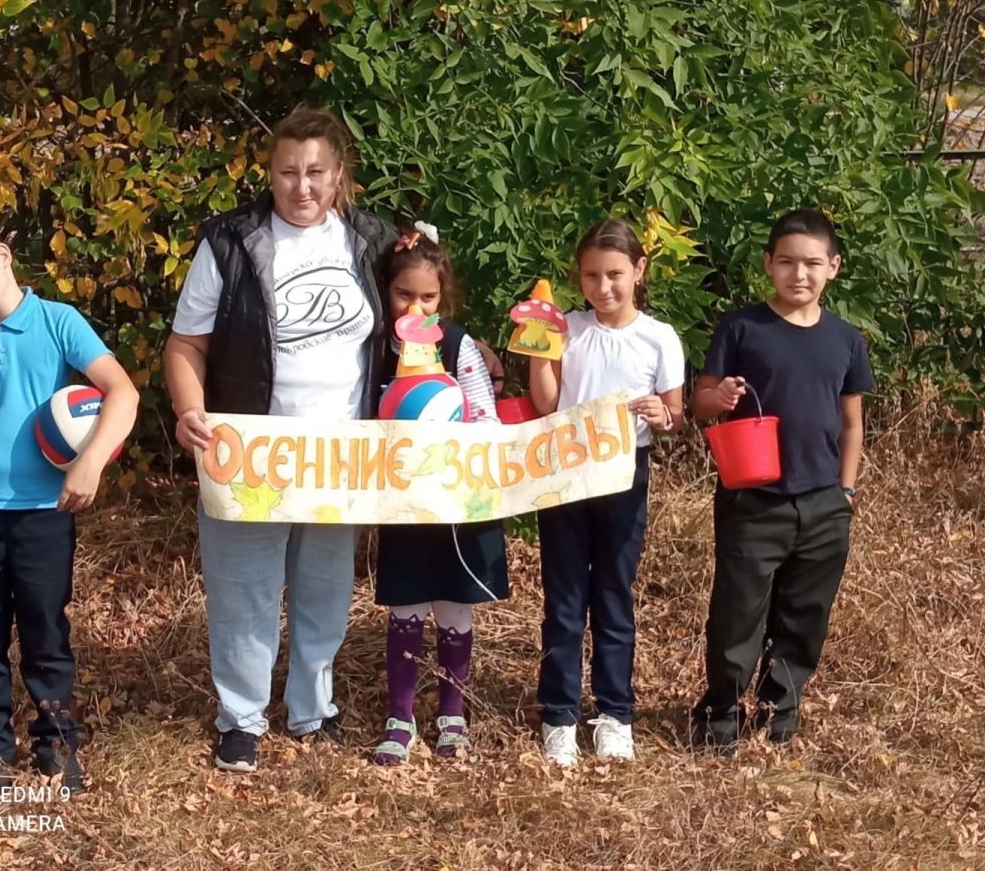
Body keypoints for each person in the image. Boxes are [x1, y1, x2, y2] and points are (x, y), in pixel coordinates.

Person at [164, 106, 396, 773]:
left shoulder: (373, 242)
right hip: (250, 451)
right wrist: (189, 410)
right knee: (245, 588)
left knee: (325, 583)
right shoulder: (230, 242)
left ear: (339, 174)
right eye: (288, 172)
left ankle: (312, 709)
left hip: (341, 453)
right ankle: (240, 720)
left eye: (316, 172)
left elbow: (419, 321)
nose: (302, 187)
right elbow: (185, 343)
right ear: (269, 174)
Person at [0, 215, 138, 792]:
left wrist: (90, 461)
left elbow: (124, 392)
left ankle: (57, 741)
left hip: (44, 510)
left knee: (45, 626)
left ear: (2, 254)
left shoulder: (57, 321)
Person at [691, 208, 873, 752]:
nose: (800, 274)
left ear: (833, 268)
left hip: (823, 504)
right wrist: (718, 399)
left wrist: (845, 491)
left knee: (805, 616)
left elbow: (851, 422)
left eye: (813, 264)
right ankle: (720, 712)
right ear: (769, 264)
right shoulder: (743, 327)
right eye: (788, 262)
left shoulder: (845, 338)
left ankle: (779, 711)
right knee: (737, 615)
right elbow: (700, 404)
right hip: (753, 499)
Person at [528, 218, 685, 765]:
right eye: (592, 275)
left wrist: (661, 413)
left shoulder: (658, 336)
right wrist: (539, 352)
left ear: (639, 271)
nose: (604, 287)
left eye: (615, 274)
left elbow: (676, 415)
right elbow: (546, 404)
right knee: (565, 598)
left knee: (613, 594)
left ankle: (615, 713)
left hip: (624, 474)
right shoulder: (565, 327)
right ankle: (559, 715)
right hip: (566, 474)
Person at [370, 225, 509, 766]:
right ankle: (399, 717)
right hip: (403, 503)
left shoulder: (458, 344)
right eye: (406, 295)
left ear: (442, 296)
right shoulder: (376, 348)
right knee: (405, 605)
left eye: (429, 297)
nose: (417, 307)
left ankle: (453, 713)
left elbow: (486, 418)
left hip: (456, 503)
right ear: (387, 291)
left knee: (455, 606)